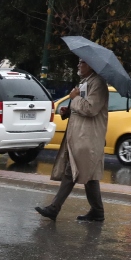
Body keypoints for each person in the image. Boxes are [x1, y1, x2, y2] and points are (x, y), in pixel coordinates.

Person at [34, 58, 109, 223]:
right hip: (79, 135)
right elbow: (81, 108)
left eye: (82, 62)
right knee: (89, 175)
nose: (78, 65)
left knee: (71, 170)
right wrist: (68, 111)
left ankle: (54, 208)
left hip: (88, 137)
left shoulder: (98, 84)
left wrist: (74, 98)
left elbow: (90, 108)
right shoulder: (86, 82)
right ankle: (97, 211)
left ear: (91, 65)